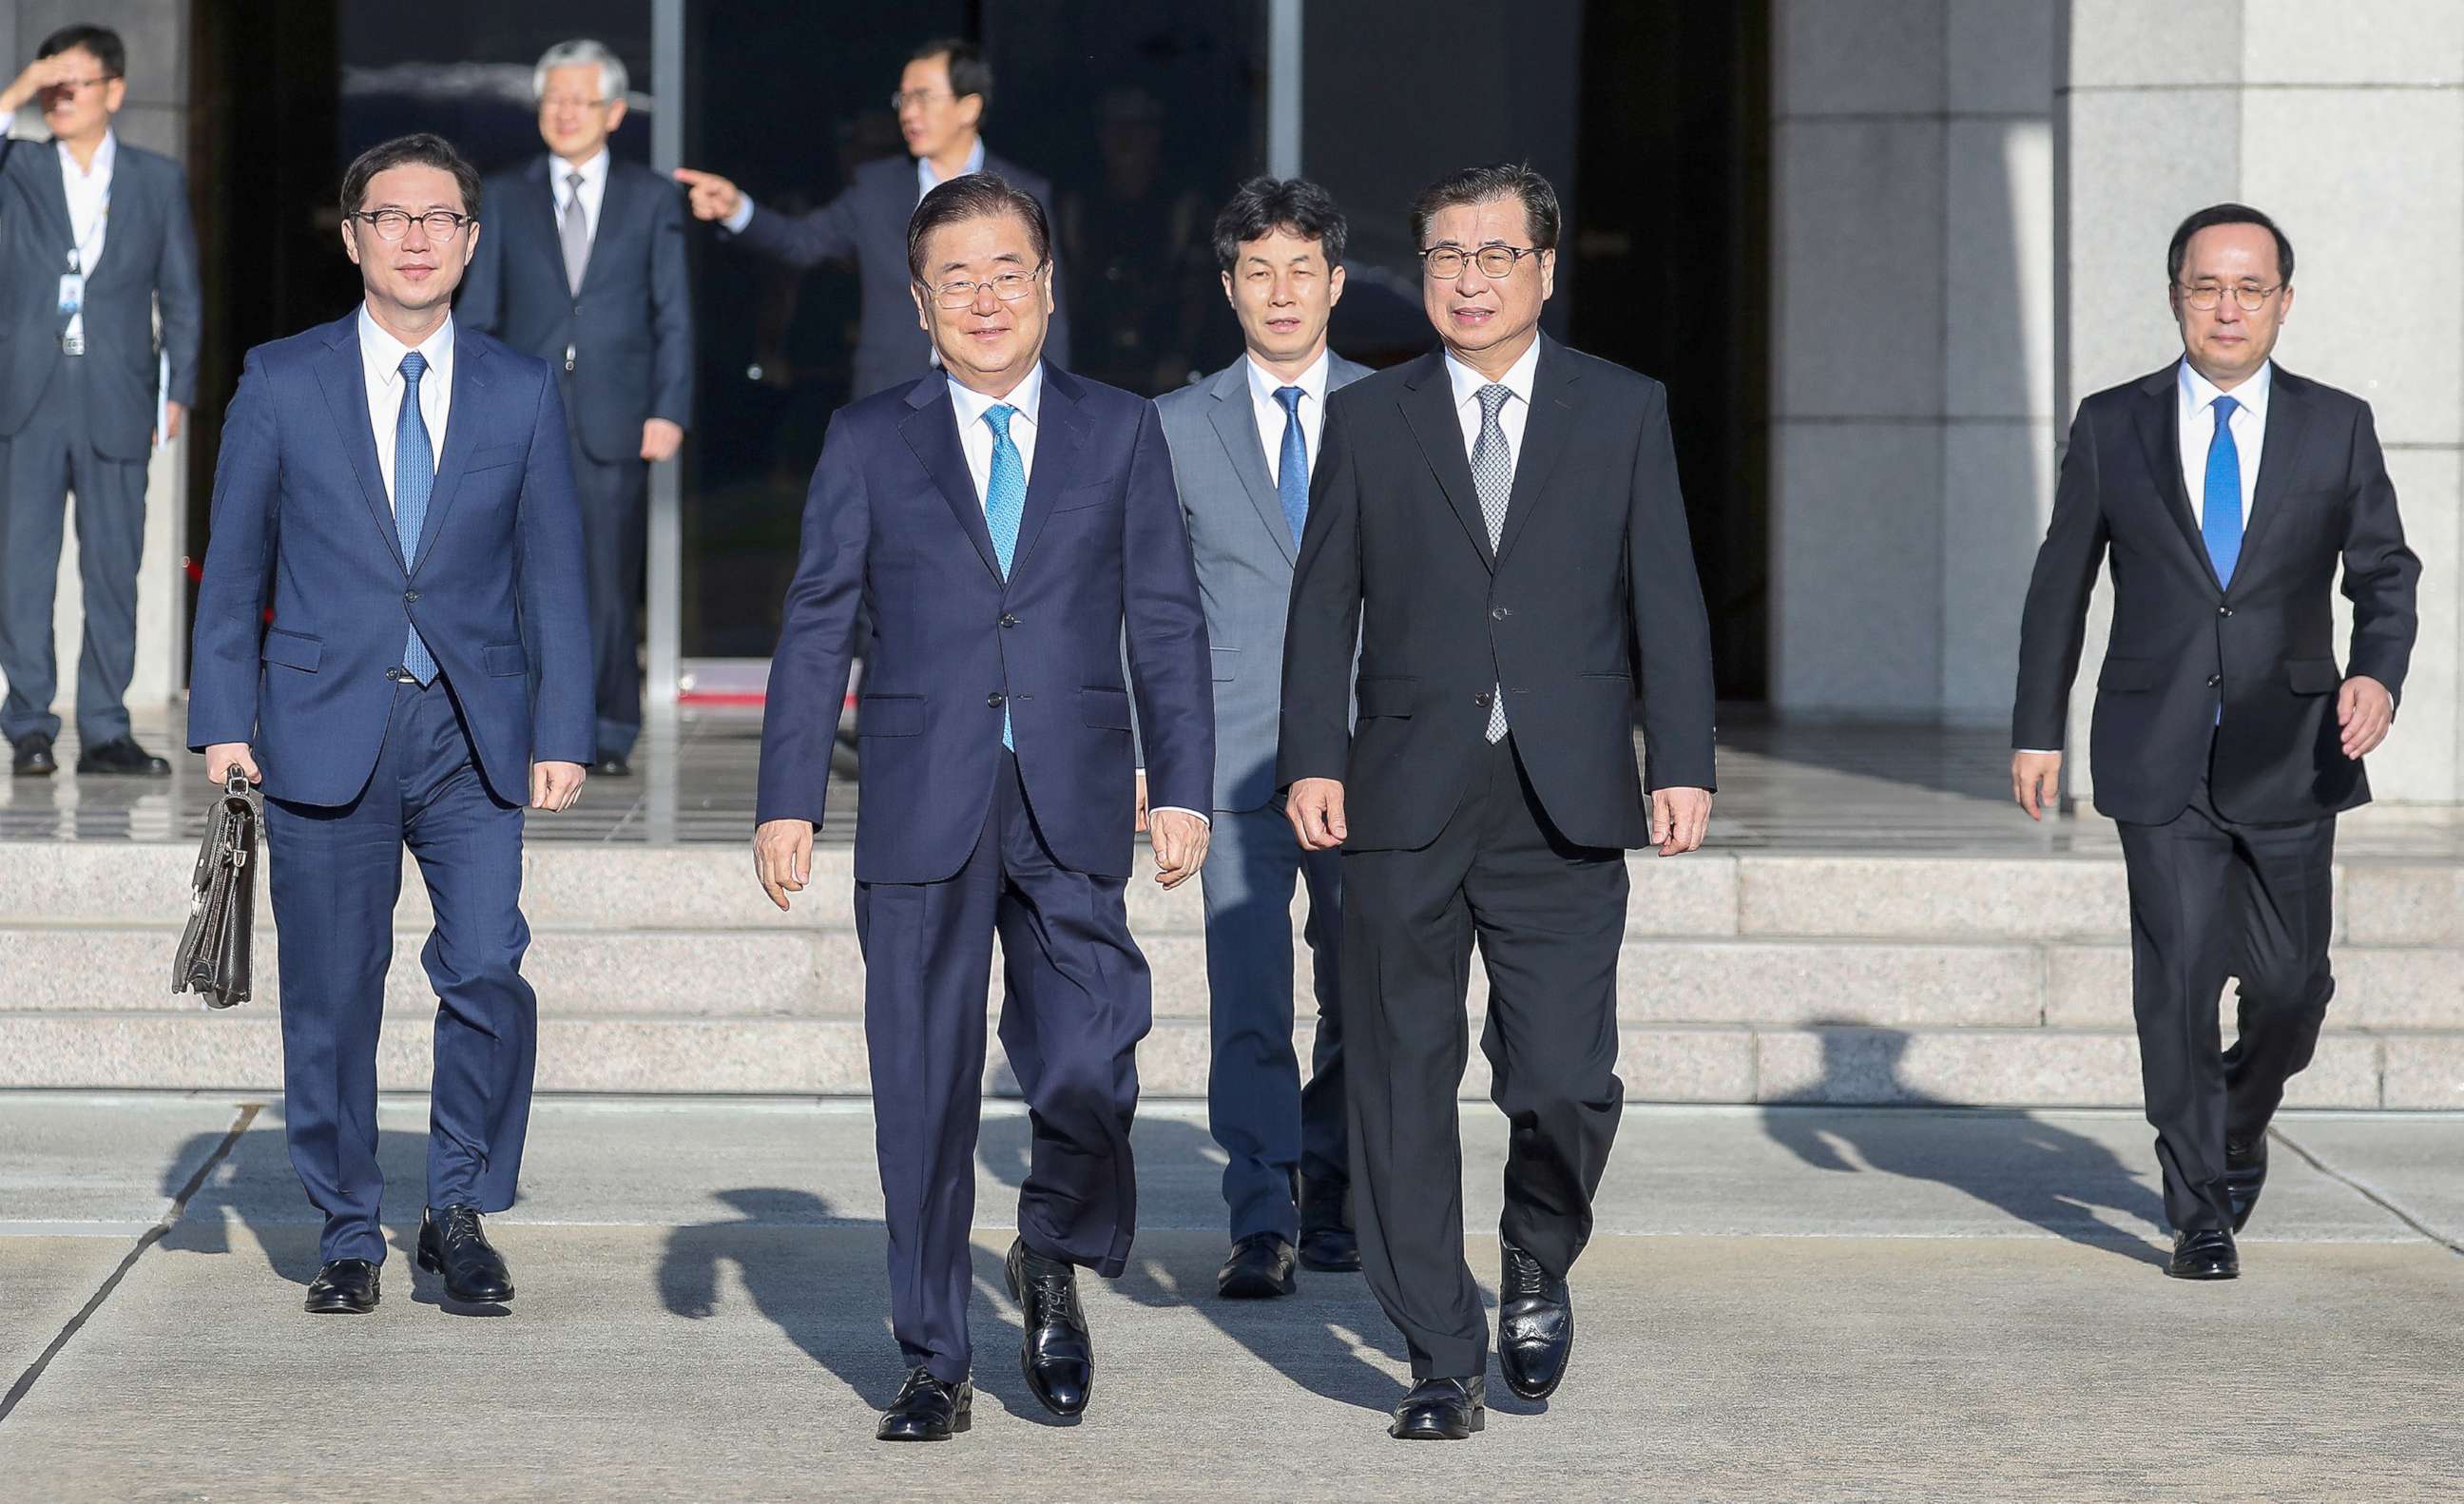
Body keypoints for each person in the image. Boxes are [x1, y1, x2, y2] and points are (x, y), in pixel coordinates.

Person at [752, 172, 1210, 1442]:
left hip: (1071, 795)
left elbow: (1166, 625)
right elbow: (815, 626)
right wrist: (786, 795)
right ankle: (934, 1359)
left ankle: (1050, 1246)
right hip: (917, 800)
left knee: (1086, 1056)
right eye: (956, 278)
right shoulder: (869, 438)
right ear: (918, 301)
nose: (986, 298)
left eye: (1008, 270)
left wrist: (1181, 783)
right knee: (924, 1090)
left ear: (1048, 285)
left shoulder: (1119, 430)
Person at [1278, 164, 1716, 1440]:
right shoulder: (1371, 418)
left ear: (1544, 268)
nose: (1467, 280)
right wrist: (1314, 754)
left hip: (1566, 793)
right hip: (1405, 795)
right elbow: (1323, 606)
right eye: (1444, 257)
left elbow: (1668, 599)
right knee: (1402, 1082)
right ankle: (1436, 1354)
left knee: (1568, 1078)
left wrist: (1678, 757)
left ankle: (1534, 1251)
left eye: (1493, 255)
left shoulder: (1622, 410)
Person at [187, 133, 592, 1317]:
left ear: (471, 240)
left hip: (472, 735)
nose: (417, 237)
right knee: (332, 996)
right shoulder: (282, 378)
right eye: (392, 216)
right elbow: (234, 564)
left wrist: (560, 726)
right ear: (355, 234)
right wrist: (222, 714)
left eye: (441, 218)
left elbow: (556, 573)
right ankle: (348, 1226)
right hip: (318, 724)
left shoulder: (521, 388)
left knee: (486, 968)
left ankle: (456, 1206)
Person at [2012, 203, 2418, 1282]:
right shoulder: (2114, 423)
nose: (2228, 306)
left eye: (2251, 287)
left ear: (2285, 299)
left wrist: (2378, 669)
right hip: (2157, 747)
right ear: (2176, 294)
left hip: (2297, 745)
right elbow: (2062, 582)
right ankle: (2197, 1205)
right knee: (2179, 983)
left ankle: (2239, 1119)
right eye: (2207, 286)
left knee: (2292, 991)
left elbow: (2386, 573)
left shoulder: (2337, 424)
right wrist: (2036, 729)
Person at [1153, 176, 1367, 1300]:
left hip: (1371, 754)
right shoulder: (1175, 426)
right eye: (1257, 271)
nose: (1281, 293)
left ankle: (1334, 1191)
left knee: (1361, 987)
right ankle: (1259, 1214)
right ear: (1229, 286)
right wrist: (1157, 759)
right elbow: (1154, 606)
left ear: (1336, 282)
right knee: (1248, 995)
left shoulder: (1398, 409)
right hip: (1230, 754)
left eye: (1302, 270)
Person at [460, 38, 691, 778]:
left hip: (615, 416)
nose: (563, 113)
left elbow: (673, 315)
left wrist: (670, 407)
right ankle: (533, 722)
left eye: (579, 100)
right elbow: (480, 311)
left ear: (614, 113)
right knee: (521, 571)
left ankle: (609, 723)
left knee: (605, 578)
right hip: (521, 415)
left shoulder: (652, 198)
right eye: (552, 99)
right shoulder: (502, 195)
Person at [0, 23, 199, 778]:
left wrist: (178, 386)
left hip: (118, 392)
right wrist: (18, 91)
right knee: (23, 565)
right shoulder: (18, 164)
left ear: (114, 90)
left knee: (115, 565)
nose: (59, 95)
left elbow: (180, 293)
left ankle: (107, 727)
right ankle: (28, 724)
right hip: (27, 392)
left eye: (73, 81)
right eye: (48, 81)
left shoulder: (155, 178)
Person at [674, 37, 1068, 401]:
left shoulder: (1022, 193)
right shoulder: (876, 187)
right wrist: (736, 209)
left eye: (924, 98)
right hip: (894, 391)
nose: (909, 113)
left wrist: (1052, 404)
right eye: (904, 100)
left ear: (969, 107)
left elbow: (1050, 308)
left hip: (1000, 392)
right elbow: (802, 242)